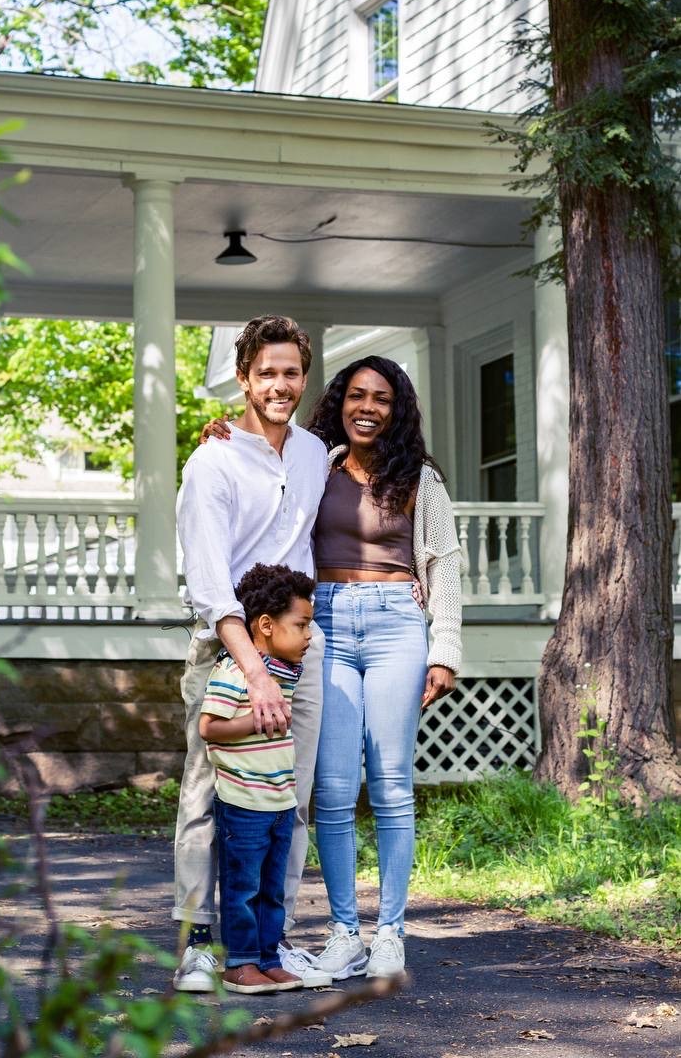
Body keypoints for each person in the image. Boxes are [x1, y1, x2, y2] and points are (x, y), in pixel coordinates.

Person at [173, 314, 332, 992]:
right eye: (265, 372)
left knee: (286, 799)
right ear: (242, 378)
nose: (279, 384)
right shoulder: (210, 462)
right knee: (206, 800)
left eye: (290, 372)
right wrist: (252, 673)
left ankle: (271, 940)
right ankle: (198, 944)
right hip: (227, 646)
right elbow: (210, 585)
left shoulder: (311, 453)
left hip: (301, 650)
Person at [307, 356, 462, 981]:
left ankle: (390, 933)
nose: (367, 407)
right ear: (340, 402)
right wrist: (220, 434)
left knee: (393, 784)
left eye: (382, 399)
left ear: (397, 410)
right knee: (334, 788)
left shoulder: (420, 477)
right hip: (326, 622)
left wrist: (445, 648)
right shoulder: (312, 465)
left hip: (398, 622)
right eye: (356, 395)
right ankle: (344, 933)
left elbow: (445, 563)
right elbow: (255, 478)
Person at [199, 563, 315, 994]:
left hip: (280, 803)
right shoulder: (233, 672)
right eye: (301, 624)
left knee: (270, 889)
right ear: (265, 625)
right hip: (244, 803)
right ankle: (240, 963)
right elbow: (209, 727)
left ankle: (268, 957)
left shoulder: (285, 673)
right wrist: (254, 721)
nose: (308, 635)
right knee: (242, 888)